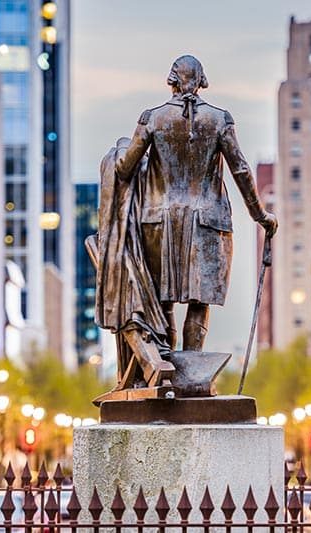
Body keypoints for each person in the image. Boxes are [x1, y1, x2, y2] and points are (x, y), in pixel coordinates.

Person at [114, 54, 277, 353]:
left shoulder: (152, 118)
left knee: (162, 301)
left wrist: (124, 150)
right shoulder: (219, 120)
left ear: (171, 80)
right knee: (199, 303)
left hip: (158, 223)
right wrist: (260, 215)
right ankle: (192, 374)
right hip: (207, 222)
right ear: (202, 80)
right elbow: (240, 169)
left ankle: (167, 370)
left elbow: (124, 169)